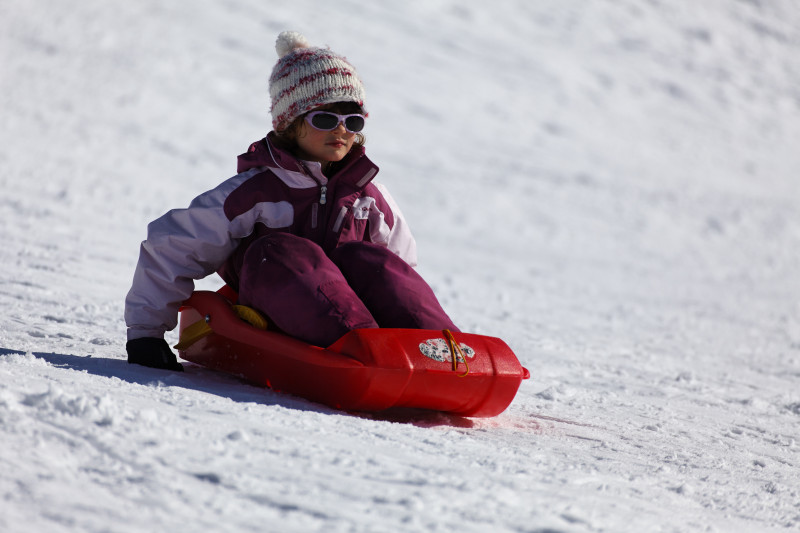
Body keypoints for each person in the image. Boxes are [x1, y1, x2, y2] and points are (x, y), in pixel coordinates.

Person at [124, 31, 459, 371]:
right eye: (325, 119)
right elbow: (173, 246)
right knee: (282, 252)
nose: (341, 131)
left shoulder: (369, 197)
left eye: (352, 121)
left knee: (368, 258)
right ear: (290, 123)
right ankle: (365, 351)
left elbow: (400, 275)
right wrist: (145, 335)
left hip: (357, 316)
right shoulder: (256, 193)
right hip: (272, 305)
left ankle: (443, 351)